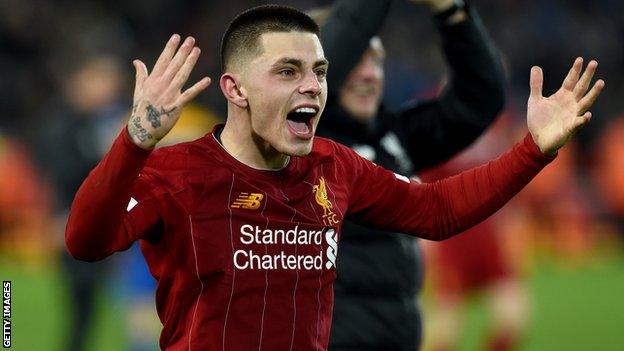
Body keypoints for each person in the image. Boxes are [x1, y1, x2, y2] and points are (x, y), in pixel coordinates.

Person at [65, 5, 603, 350]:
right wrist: (134, 141)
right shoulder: (177, 173)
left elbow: (437, 211)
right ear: (235, 89)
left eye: (320, 72)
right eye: (287, 72)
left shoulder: (333, 165)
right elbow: (86, 242)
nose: (312, 87)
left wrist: (532, 150)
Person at [314, 0, 506, 349]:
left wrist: (452, 13)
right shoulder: (297, 148)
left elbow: (479, 101)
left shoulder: (392, 139)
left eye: (377, 59)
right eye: (358, 57)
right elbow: (321, 68)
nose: (370, 74)